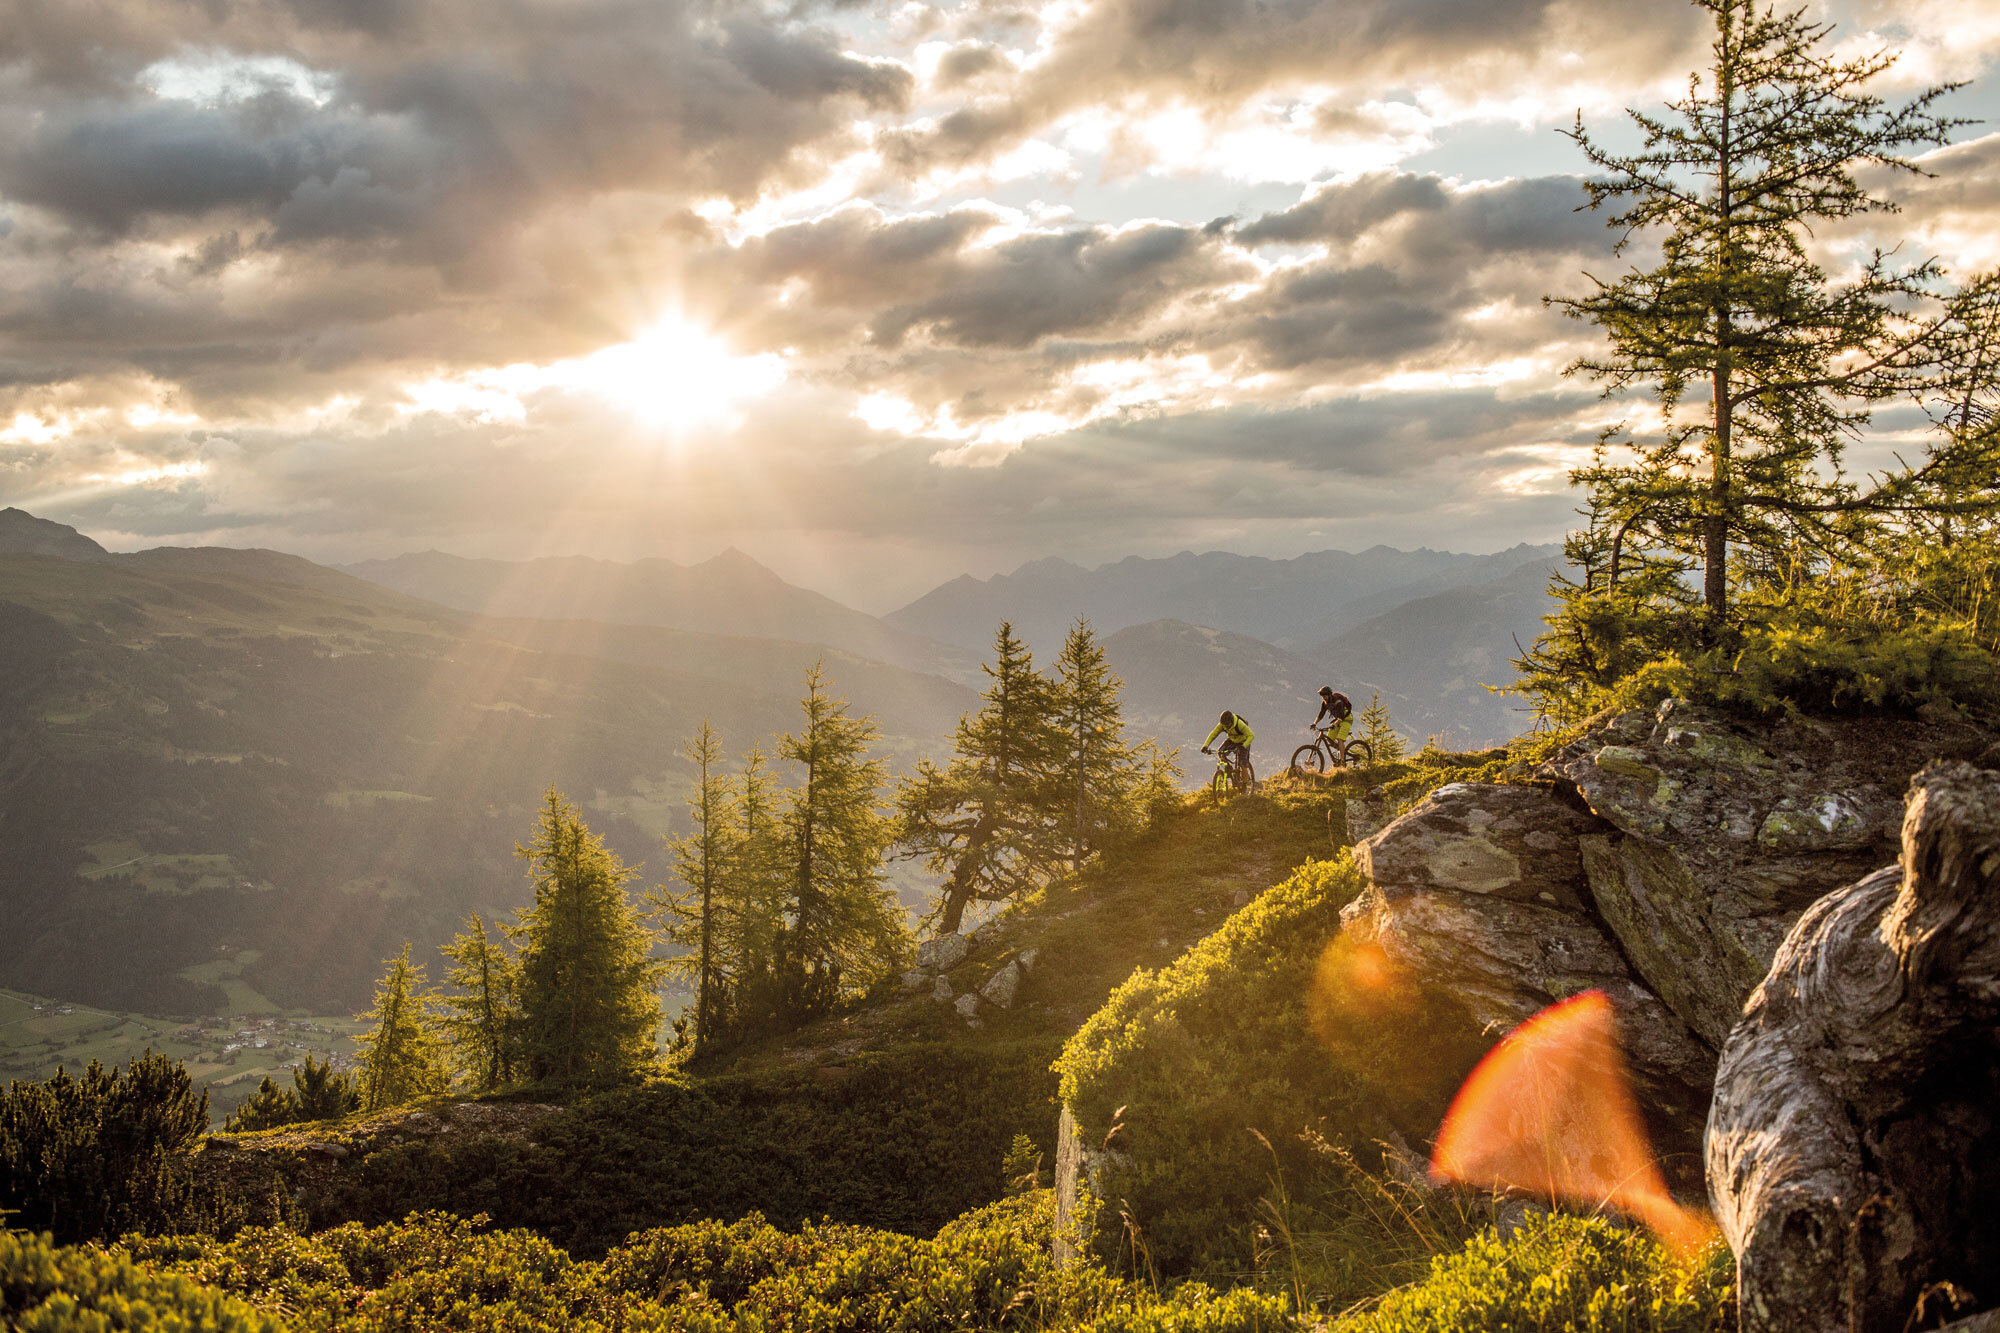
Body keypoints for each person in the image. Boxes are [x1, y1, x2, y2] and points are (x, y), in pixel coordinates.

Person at [1201, 710, 1254, 779]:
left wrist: (1244, 745)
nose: (1226, 726)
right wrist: (1205, 746)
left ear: (1231, 721)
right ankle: (1229, 768)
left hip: (1243, 741)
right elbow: (1213, 734)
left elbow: (1251, 735)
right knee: (1220, 752)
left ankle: (1245, 785)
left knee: (1242, 763)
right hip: (1232, 740)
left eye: (1228, 724)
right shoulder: (1222, 725)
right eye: (1224, 724)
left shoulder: (1239, 724)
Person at [1311, 687, 1353, 760]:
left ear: (1330, 695)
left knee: (1339, 739)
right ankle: (1341, 748)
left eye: (1325, 695)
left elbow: (1341, 716)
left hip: (1346, 720)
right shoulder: (1325, 703)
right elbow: (1321, 714)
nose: (1323, 697)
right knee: (1329, 739)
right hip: (1338, 720)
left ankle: (1342, 761)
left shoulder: (1338, 702)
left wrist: (1335, 724)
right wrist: (1314, 723)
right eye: (1322, 696)